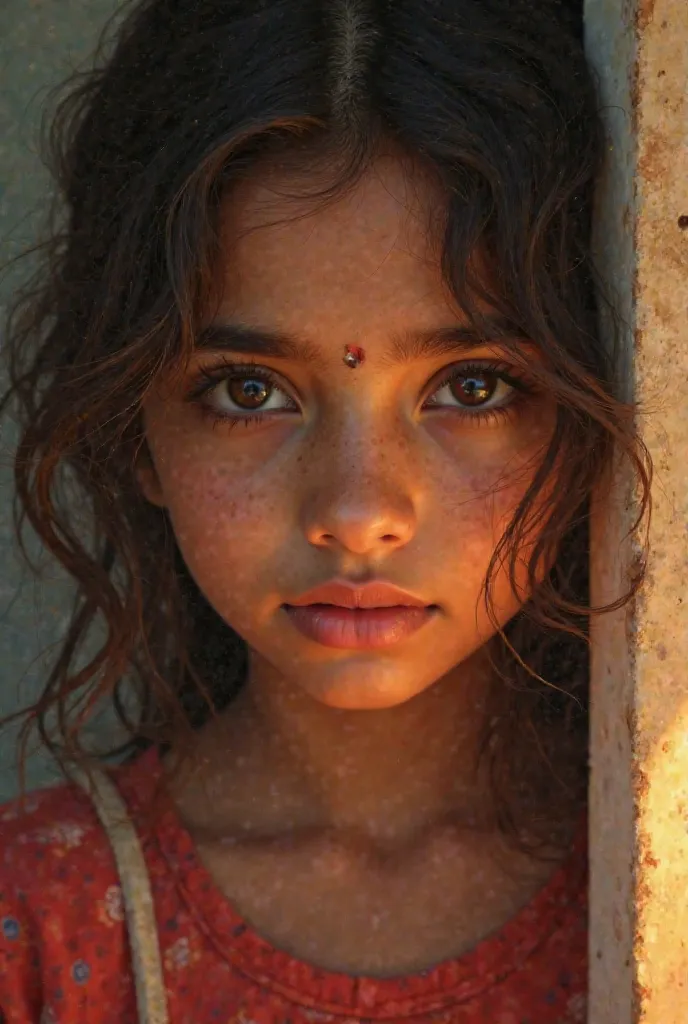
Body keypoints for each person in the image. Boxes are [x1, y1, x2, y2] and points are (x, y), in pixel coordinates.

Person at [0, 0, 650, 1021]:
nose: (357, 513)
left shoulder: (666, 899)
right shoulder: (38, 924)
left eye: (472, 387)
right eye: (250, 390)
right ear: (136, 431)